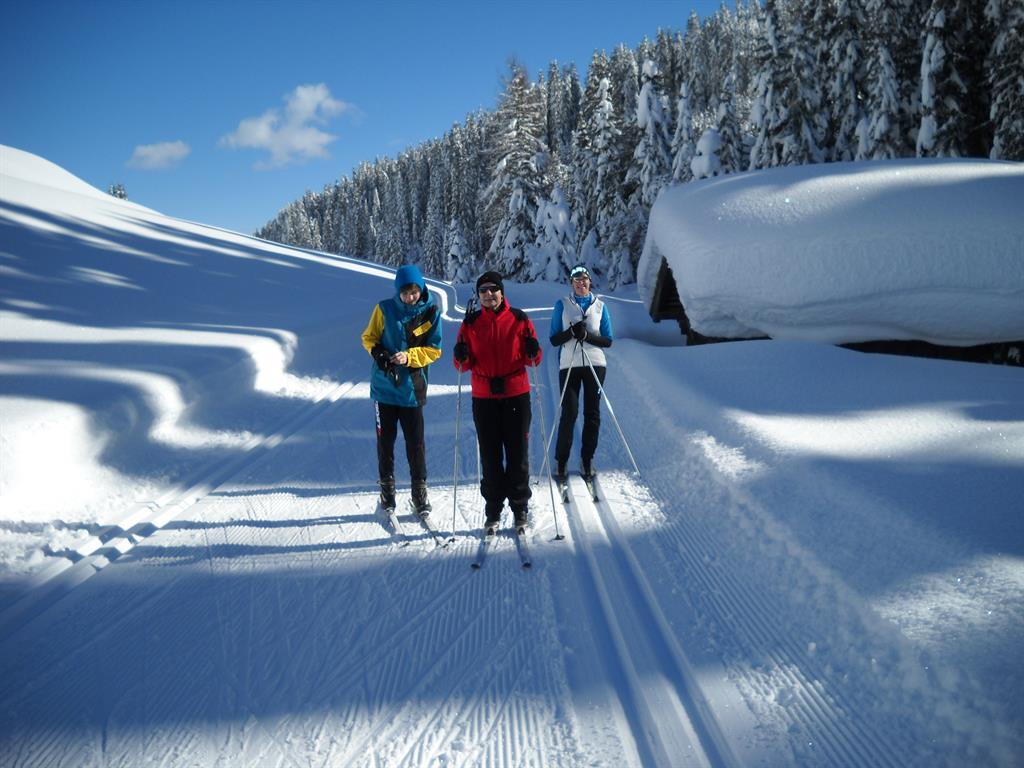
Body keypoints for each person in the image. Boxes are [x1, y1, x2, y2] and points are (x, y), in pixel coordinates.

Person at [453, 271, 542, 532]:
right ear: (478, 295)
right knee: (490, 456)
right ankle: (493, 510)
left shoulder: (519, 318)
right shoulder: (471, 323)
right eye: (483, 290)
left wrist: (533, 349)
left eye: (493, 289)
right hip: (484, 397)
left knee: (517, 454)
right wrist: (460, 354)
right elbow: (462, 366)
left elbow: (534, 361)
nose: (489, 294)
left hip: (516, 393)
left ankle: (519, 507)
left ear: (502, 292)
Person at [361, 264, 442, 515]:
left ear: (421, 289)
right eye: (405, 293)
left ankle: (419, 493)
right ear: (398, 291)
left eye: (414, 292)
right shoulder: (384, 309)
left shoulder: (430, 312)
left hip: (412, 389)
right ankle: (387, 492)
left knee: (415, 444)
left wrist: (409, 357)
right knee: (385, 443)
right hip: (384, 388)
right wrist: (380, 354)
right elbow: (369, 337)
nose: (410, 297)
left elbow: (435, 350)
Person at [549, 264, 613, 481]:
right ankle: (561, 460)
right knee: (570, 412)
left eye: (584, 279)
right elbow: (554, 339)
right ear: (571, 283)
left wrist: (587, 336)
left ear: (590, 282)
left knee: (592, 413)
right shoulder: (562, 304)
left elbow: (608, 340)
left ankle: (587, 459)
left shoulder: (600, 306)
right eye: (576, 280)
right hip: (569, 363)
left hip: (596, 363)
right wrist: (571, 332)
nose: (581, 283)